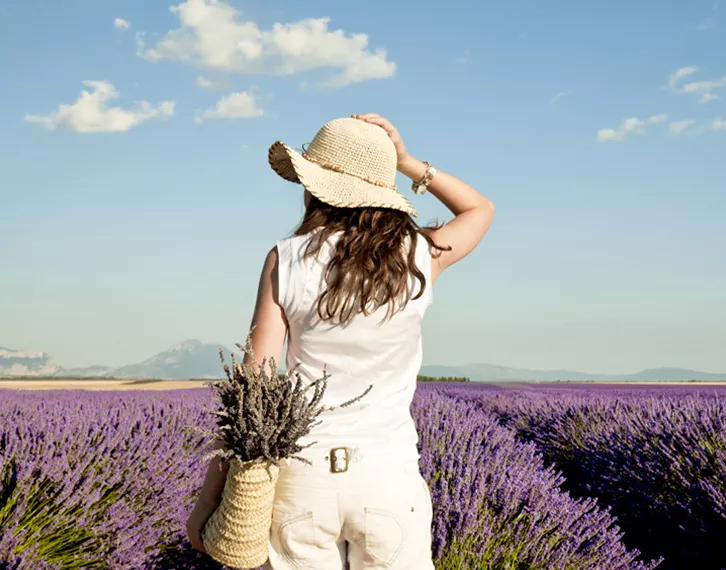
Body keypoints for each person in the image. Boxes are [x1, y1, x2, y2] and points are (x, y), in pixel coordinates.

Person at [185, 113, 495, 569]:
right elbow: (479, 210)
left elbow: (254, 389)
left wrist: (209, 498)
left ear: (315, 187)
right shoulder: (417, 255)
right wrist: (408, 164)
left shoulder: (286, 259)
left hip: (301, 478)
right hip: (387, 476)